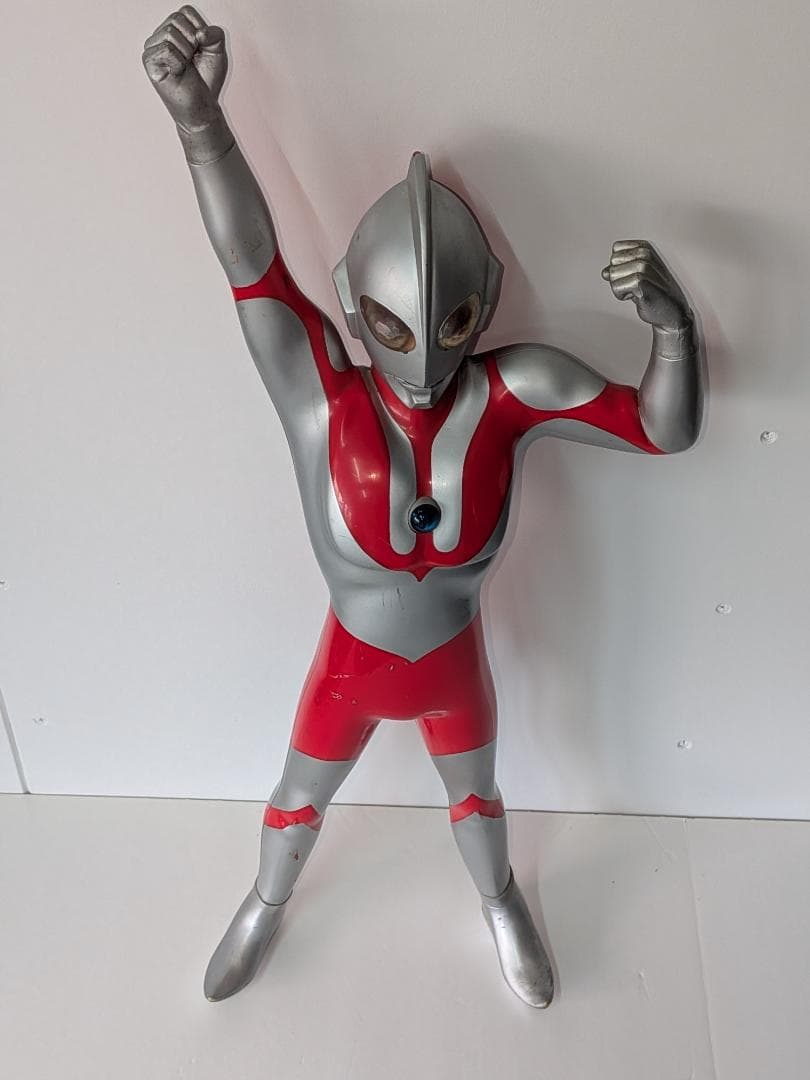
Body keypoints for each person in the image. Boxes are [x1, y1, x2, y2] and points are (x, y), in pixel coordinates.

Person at [142, 7, 703, 1008]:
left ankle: (500, 903)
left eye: (454, 322)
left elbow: (663, 431)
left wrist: (674, 330)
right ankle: (268, 902)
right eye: (395, 327)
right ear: (353, 306)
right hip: (351, 667)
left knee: (478, 801)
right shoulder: (320, 393)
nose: (429, 358)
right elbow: (250, 264)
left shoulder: (515, 387)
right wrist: (199, 124)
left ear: (486, 300)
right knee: (296, 800)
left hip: (449, 670)